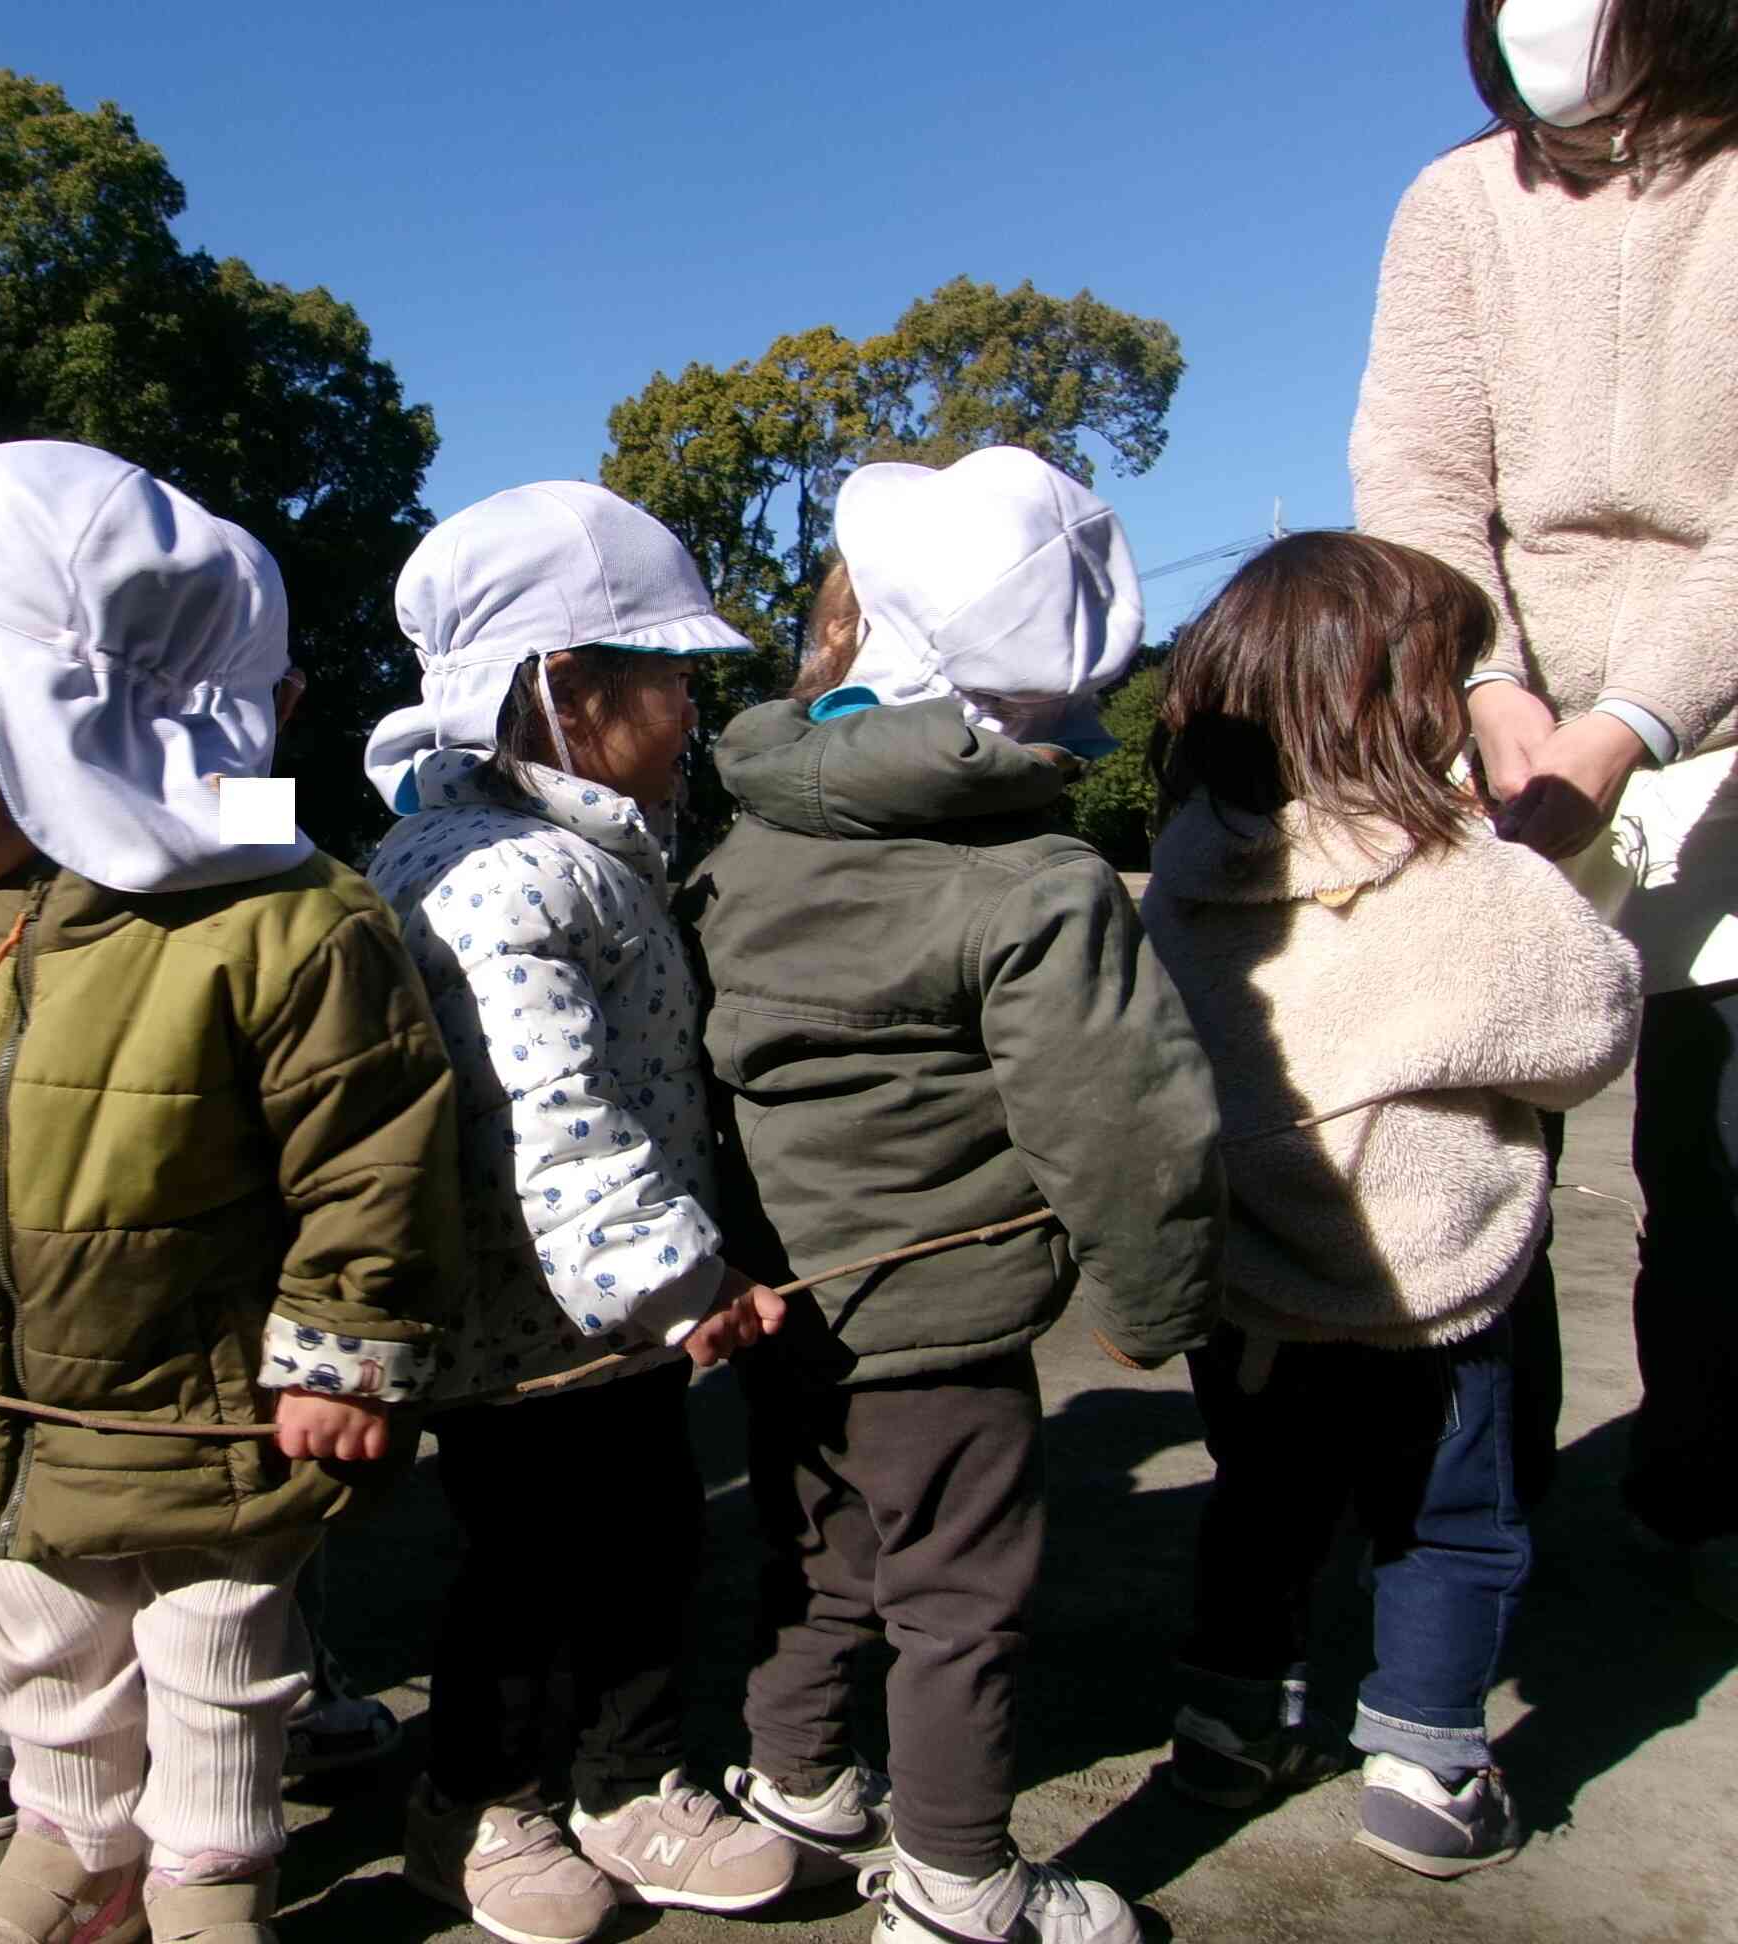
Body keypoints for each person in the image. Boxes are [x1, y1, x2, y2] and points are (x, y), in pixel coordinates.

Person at [0, 440, 461, 1944]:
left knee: (218, 1652)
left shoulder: (284, 919)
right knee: (43, 1636)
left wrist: (345, 1340)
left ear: (39, 704)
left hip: (205, 1404)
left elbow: (375, 1152)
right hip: (6, 1402)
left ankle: (213, 1872)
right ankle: (76, 1846)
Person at [690, 447, 1223, 1944]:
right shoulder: (1035, 880)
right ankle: (956, 1880)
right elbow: (1123, 1119)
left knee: (822, 1545)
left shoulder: (750, 836)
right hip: (940, 1313)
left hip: (778, 1284)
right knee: (960, 1596)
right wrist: (1155, 1300)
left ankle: (794, 1772)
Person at [1141, 532, 1640, 1877]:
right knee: (1450, 1523)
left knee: (1259, 1501)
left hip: (1247, 1284)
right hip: (1435, 1286)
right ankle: (1426, 1765)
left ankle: (1228, 1720)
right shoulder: (1467, 876)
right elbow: (1584, 1032)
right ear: (1406, 703)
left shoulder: (1185, 874)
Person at [365, 480, 801, 1944]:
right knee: (528, 1566)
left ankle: (626, 1783)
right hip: (524, 1327)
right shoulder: (506, 877)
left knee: (646, 1533)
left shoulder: (555, 851)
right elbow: (554, 1116)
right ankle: (475, 1807)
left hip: (582, 1319)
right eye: (670, 676)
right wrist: (685, 1281)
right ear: (563, 685)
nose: (690, 708)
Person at [1350, 0, 1738, 1614]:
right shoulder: (1456, 202)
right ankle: (1468, 1533)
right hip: (1495, 711)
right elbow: (1420, 475)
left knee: (1712, 1161)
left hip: (1706, 715)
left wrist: (1627, 725)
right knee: (1473, 1154)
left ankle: (1698, 1486)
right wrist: (1493, 693)